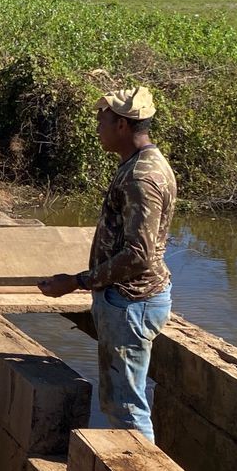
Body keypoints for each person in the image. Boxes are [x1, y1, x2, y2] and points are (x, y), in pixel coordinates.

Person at [38, 84, 177, 441]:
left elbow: (139, 255)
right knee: (120, 400)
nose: (97, 128)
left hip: (131, 302)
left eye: (102, 122)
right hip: (128, 299)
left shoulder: (142, 177)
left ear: (122, 126)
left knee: (127, 406)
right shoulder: (140, 164)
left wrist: (77, 281)